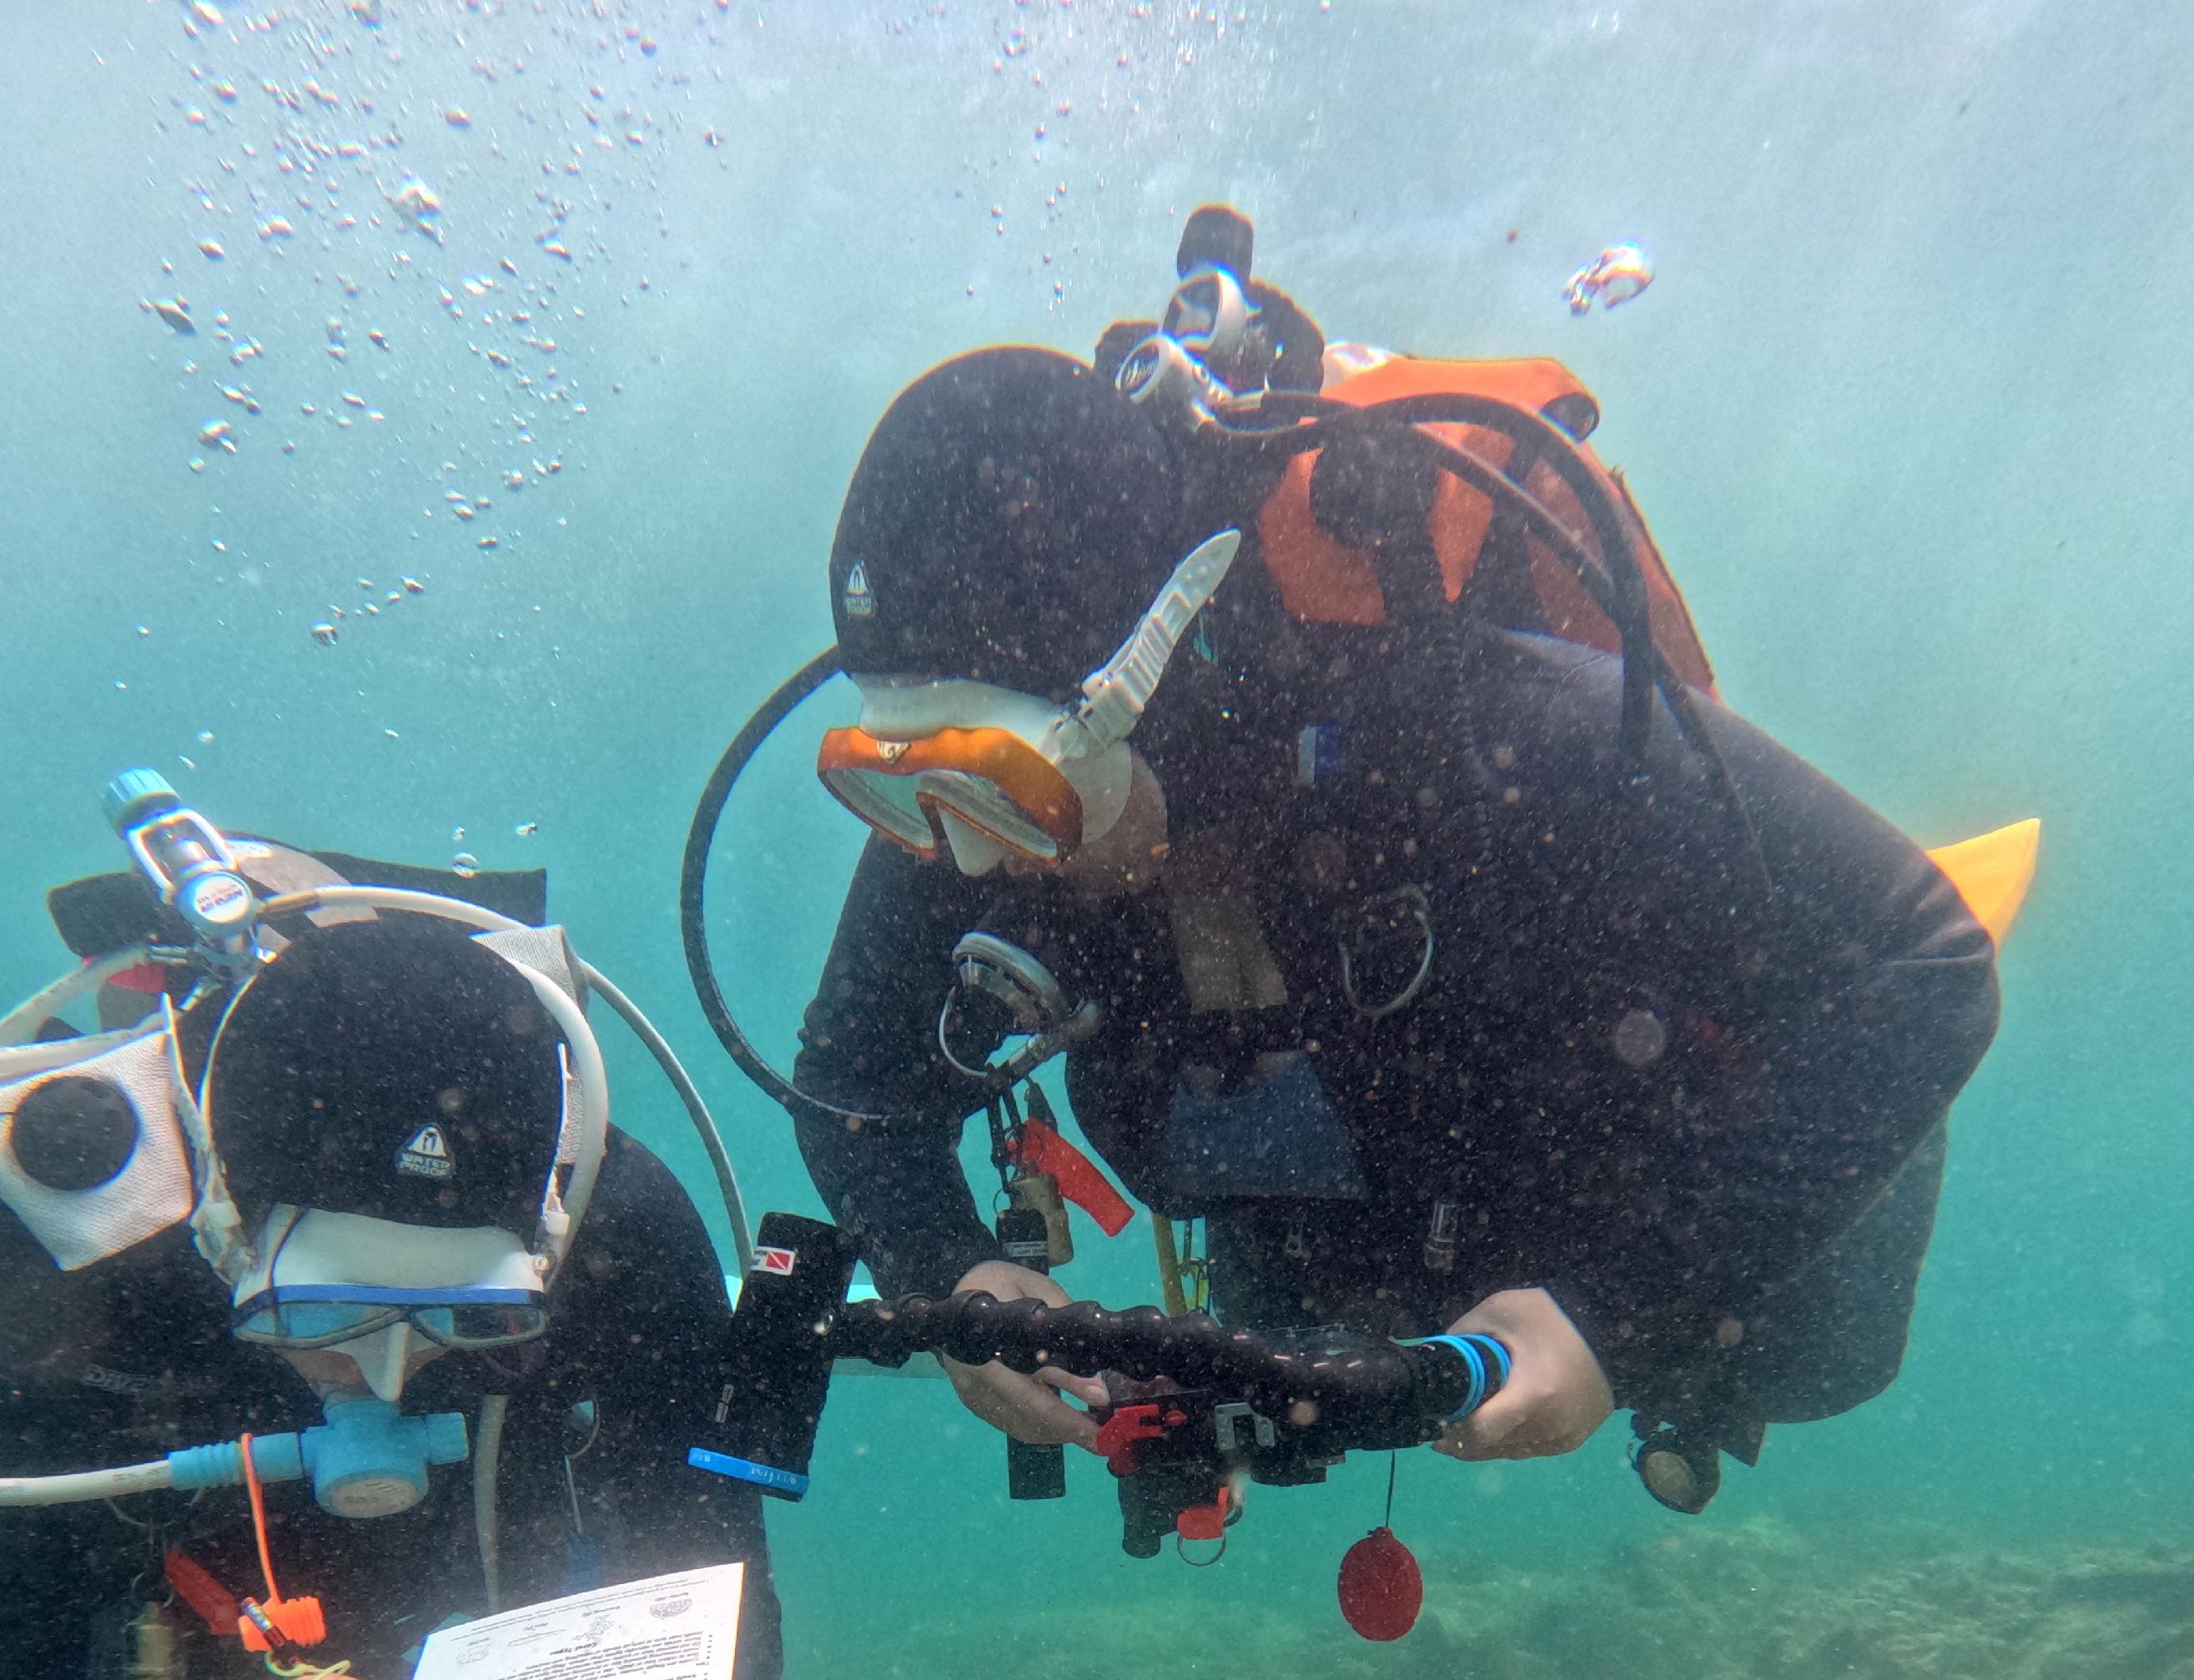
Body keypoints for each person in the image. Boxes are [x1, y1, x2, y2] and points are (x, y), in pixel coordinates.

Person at [782, 219, 2010, 1517]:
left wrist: (1624, 1313)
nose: (963, 857)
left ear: (1150, 669)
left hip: (1609, 1176)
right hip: (1344, 1212)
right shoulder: (980, 799)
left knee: (1814, 1356)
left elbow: (1927, 960)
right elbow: (849, 1081)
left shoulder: (1481, 725)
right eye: (899, 785)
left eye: (1004, 787)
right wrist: (958, 1272)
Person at [0, 855, 778, 1680]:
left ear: (541, 1242)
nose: (391, 1368)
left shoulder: (615, 1222)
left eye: (473, 1314)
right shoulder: (49, 1274)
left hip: (488, 1603)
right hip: (211, 1678)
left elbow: (723, 1587)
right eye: (320, 1312)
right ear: (222, 1229)